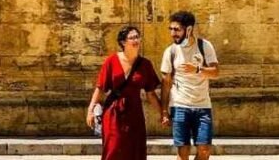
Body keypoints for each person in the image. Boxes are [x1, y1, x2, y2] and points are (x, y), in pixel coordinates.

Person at [87, 25, 163, 160]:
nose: (136, 40)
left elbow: (150, 93)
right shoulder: (111, 61)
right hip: (113, 112)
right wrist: (91, 110)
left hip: (134, 112)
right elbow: (100, 88)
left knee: (134, 149)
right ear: (123, 42)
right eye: (132, 37)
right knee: (113, 148)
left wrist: (163, 113)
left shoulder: (145, 64)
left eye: (138, 37)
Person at [160, 11, 220, 160]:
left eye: (177, 29)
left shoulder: (204, 46)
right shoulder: (171, 51)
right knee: (183, 152)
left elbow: (216, 72)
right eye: (171, 29)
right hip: (180, 106)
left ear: (188, 29)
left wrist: (198, 69)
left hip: (203, 106)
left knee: (204, 150)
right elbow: (166, 84)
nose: (173, 33)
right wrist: (164, 111)